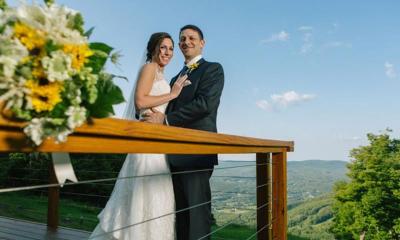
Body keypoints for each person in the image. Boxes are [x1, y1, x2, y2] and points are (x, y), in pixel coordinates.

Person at [89, 32, 188, 240]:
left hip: (158, 144)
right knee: (142, 196)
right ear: (153, 49)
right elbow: (140, 102)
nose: (167, 52)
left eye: (170, 49)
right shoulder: (149, 68)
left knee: (156, 198)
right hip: (145, 144)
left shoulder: (161, 74)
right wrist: (172, 94)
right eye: (163, 47)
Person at [143, 24, 225, 240]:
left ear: (202, 43)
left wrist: (165, 119)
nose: (186, 42)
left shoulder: (213, 69)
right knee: (180, 216)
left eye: (191, 38)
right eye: (182, 39)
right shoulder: (173, 79)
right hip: (172, 154)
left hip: (196, 152)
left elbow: (205, 104)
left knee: (197, 216)